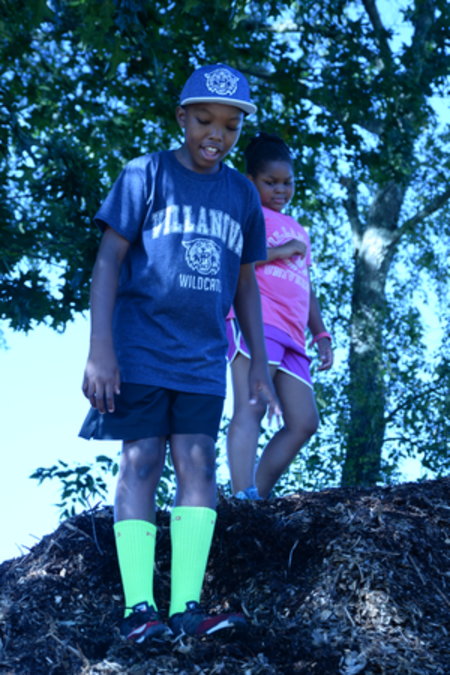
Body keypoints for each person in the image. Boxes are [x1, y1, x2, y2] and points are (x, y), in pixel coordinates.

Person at [79, 65, 280, 644]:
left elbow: (246, 284)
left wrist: (259, 363)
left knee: (198, 463)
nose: (217, 134)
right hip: (140, 347)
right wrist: (100, 348)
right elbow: (109, 259)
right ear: (181, 118)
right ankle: (138, 610)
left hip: (202, 357)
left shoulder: (241, 194)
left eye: (230, 126)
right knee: (142, 459)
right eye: (205, 120)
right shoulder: (145, 174)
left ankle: (187, 608)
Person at [226, 132, 333, 501]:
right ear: (251, 180)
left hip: (293, 332)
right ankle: (241, 495)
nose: (280, 190)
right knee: (252, 406)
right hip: (258, 321)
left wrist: (320, 334)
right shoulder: (248, 212)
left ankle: (258, 499)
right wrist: (284, 249)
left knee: (304, 422)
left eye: (287, 182)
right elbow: (236, 258)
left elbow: (305, 285)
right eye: (270, 182)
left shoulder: (297, 228)